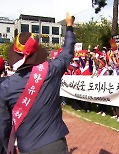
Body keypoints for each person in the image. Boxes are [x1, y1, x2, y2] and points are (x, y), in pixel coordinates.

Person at [0, 13, 76, 154]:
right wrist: (69, 27)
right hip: (55, 144)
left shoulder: (5, 87)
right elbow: (67, 51)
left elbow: (3, 126)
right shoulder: (51, 71)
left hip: (27, 147)